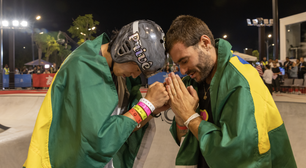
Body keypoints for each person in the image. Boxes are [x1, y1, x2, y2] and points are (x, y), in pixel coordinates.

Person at [23, 20, 169, 168]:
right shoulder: (82, 67)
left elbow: (128, 125)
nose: (135, 75)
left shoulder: (121, 75)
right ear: (125, 50)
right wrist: (147, 104)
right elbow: (97, 141)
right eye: (137, 68)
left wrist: (152, 109)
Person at [164, 15, 296, 167]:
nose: (183, 71)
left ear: (205, 43)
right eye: (177, 64)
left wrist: (189, 116)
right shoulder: (193, 82)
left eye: (185, 61)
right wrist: (181, 116)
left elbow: (238, 156)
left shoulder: (241, 82)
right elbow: (182, 139)